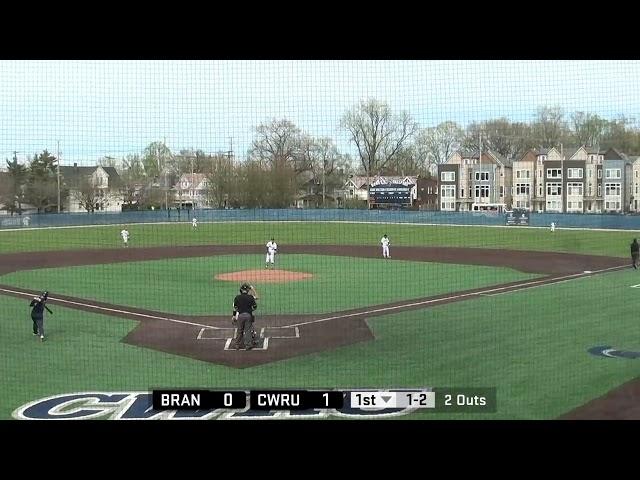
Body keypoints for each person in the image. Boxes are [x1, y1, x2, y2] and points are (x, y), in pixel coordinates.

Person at [232, 283, 258, 350]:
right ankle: (248, 345)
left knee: (239, 330)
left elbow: (235, 307)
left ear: (241, 290)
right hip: (248, 316)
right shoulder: (250, 297)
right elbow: (255, 307)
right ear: (247, 290)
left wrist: (234, 316)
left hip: (240, 316)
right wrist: (250, 310)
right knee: (248, 331)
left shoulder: (237, 297)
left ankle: (237, 345)